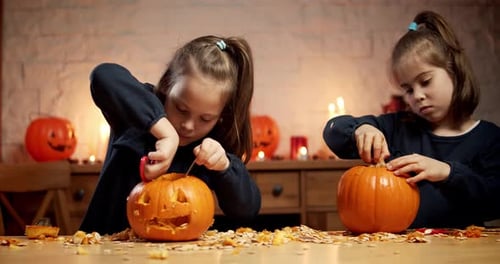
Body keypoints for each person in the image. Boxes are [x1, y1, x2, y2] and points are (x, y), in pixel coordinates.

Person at [323, 11, 500, 229]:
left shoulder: (488, 138)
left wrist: (448, 172)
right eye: (408, 89)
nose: (417, 95)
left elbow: (495, 199)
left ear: (454, 71)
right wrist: (362, 129)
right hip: (402, 253)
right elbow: (333, 131)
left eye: (425, 81)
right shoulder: (398, 127)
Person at [80, 35, 261, 235]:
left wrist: (224, 166)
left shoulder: (209, 148)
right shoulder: (136, 113)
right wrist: (166, 133)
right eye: (181, 109)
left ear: (220, 116)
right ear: (167, 85)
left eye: (205, 118)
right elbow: (103, 75)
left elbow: (247, 211)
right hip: (103, 249)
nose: (189, 126)